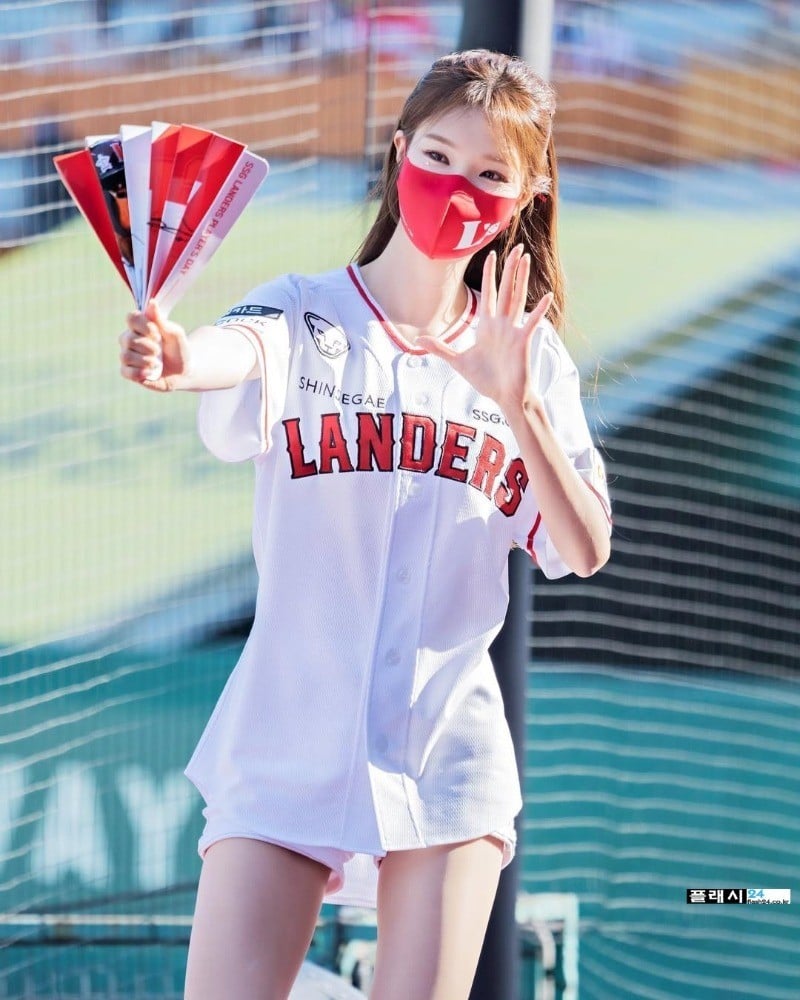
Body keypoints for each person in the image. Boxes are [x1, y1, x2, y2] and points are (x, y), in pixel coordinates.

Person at [119, 48, 611, 1000]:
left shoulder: (529, 357)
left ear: (527, 195)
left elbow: (583, 548)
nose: (456, 186)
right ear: (397, 152)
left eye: (490, 173)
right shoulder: (303, 310)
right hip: (286, 735)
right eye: (437, 156)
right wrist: (176, 360)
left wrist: (518, 403)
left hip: (444, 755)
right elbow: (230, 351)